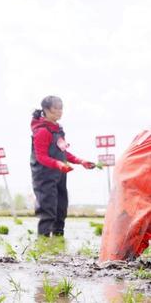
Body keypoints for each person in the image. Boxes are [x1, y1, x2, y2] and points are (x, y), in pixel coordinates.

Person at [30, 95, 96, 237]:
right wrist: (58, 164)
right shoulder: (42, 131)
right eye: (56, 108)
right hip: (44, 176)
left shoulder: (57, 130)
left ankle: (59, 236)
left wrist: (81, 161)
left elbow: (63, 152)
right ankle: (44, 240)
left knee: (61, 206)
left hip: (59, 174)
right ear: (46, 110)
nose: (60, 111)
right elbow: (41, 156)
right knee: (47, 208)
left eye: (61, 108)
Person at [99, 128, 151, 262]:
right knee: (119, 256)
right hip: (141, 172)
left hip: (127, 167)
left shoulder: (145, 133)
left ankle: (115, 261)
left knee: (121, 231)